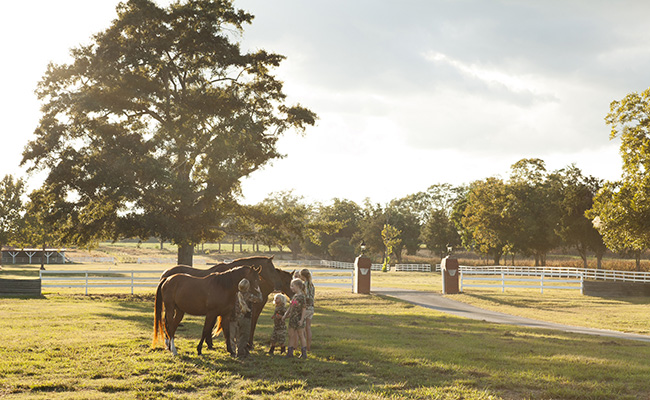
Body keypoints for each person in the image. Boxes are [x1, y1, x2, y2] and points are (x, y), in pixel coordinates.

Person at [230, 278, 263, 358]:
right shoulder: (249, 296)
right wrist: (259, 292)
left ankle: (233, 352)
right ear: (248, 287)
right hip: (245, 318)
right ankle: (241, 353)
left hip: (235, 318)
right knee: (243, 337)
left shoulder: (235, 295)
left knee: (235, 336)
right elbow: (260, 300)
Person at [282, 278, 307, 359]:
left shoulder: (302, 297)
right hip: (292, 319)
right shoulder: (294, 296)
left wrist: (302, 320)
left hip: (299, 319)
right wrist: (286, 315)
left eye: (292, 286)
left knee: (301, 335)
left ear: (298, 286)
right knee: (291, 335)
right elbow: (291, 307)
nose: (291, 288)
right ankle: (290, 352)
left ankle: (304, 353)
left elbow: (304, 309)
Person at [298, 268, 315, 351]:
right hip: (311, 307)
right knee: (308, 327)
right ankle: (308, 347)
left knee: (302, 328)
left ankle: (303, 346)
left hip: (305, 308)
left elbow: (303, 297)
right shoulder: (311, 285)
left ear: (302, 276)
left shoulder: (303, 285)